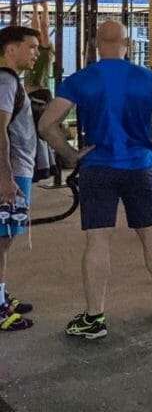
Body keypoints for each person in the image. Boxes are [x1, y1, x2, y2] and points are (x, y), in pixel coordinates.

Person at [38, 21, 152, 340]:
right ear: (127, 44)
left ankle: (94, 318)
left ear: (93, 43)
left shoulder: (81, 79)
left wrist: (70, 153)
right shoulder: (147, 78)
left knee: (98, 240)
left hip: (98, 167)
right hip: (140, 167)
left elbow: (47, 124)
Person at [0, 24, 79, 332]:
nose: (36, 53)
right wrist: (6, 179)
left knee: (5, 240)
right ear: (11, 49)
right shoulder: (6, 82)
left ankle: (3, 295)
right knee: (2, 240)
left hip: (16, 170)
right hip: (10, 173)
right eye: (31, 47)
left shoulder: (11, 82)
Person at [25, 1, 57, 181]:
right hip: (33, 94)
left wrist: (43, 9)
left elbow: (43, 29)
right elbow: (35, 32)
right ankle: (42, 165)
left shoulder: (44, 52)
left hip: (39, 94)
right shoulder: (38, 52)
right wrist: (36, 10)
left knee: (38, 133)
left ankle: (44, 166)